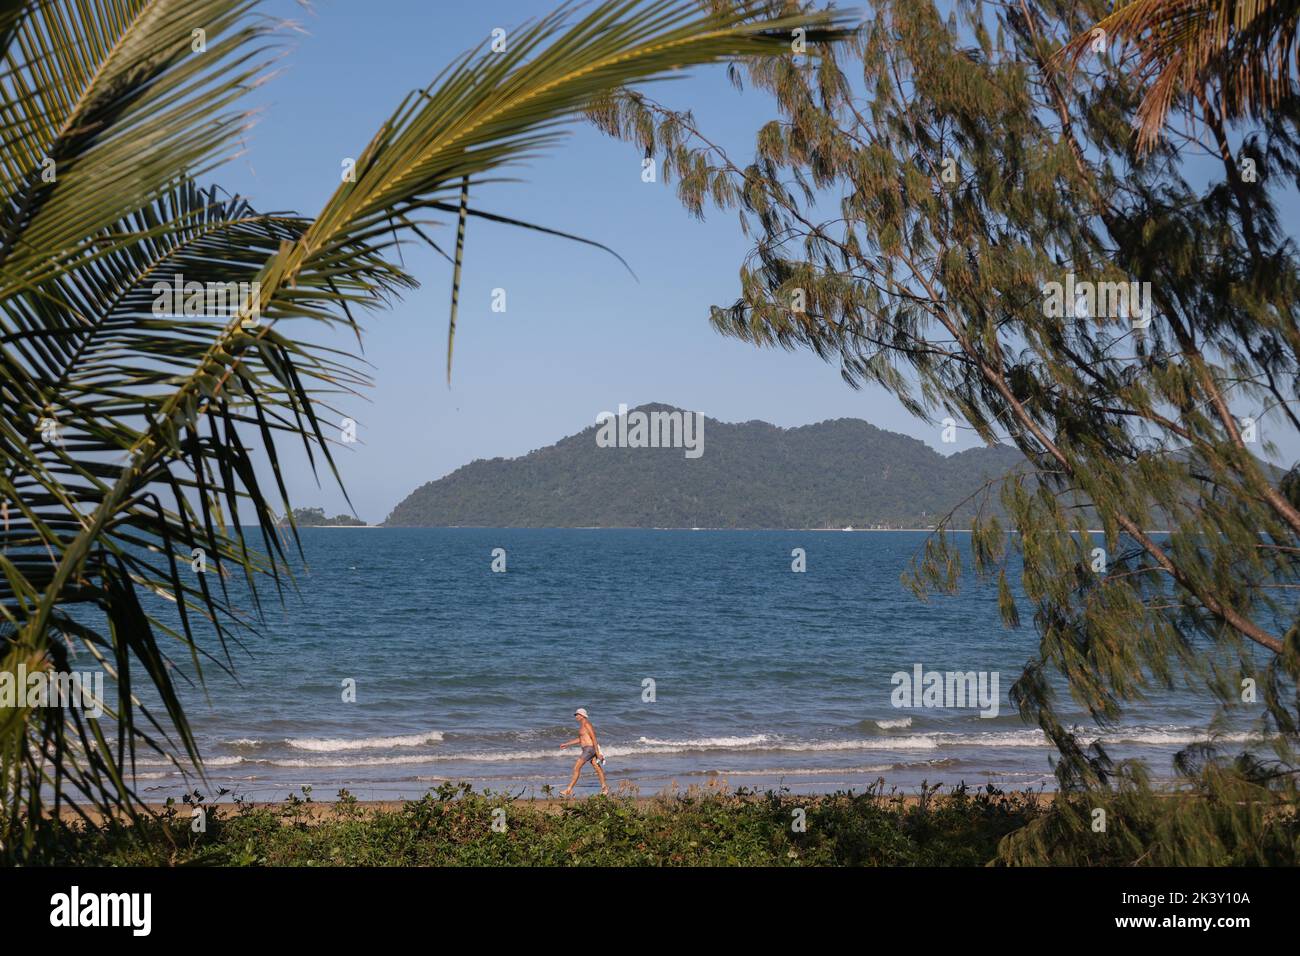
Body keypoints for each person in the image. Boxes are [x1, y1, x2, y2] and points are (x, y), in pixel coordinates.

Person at [559, 707, 608, 796]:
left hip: (589, 749)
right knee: (597, 767)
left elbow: (594, 738)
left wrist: (598, 753)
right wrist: (567, 744)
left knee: (576, 768)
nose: (576, 716)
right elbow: (580, 739)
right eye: (576, 715)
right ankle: (605, 788)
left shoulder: (587, 724)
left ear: (582, 715)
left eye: (577, 714)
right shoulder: (582, 725)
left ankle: (569, 790)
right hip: (588, 749)